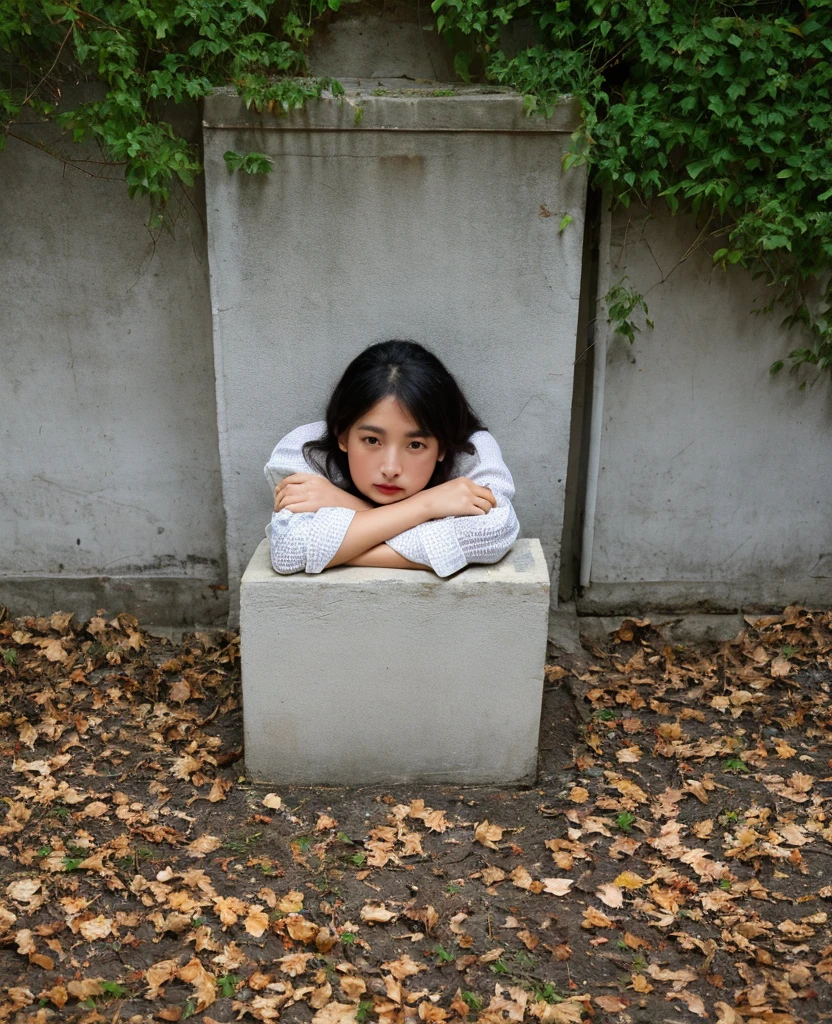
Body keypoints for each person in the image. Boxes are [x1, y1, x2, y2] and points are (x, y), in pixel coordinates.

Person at [264, 340, 520, 576]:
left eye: (415, 444)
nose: (390, 468)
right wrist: (426, 506)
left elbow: (496, 534)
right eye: (372, 440)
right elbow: (288, 550)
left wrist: (344, 525)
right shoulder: (304, 450)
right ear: (342, 436)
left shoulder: (472, 452)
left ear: (442, 446)